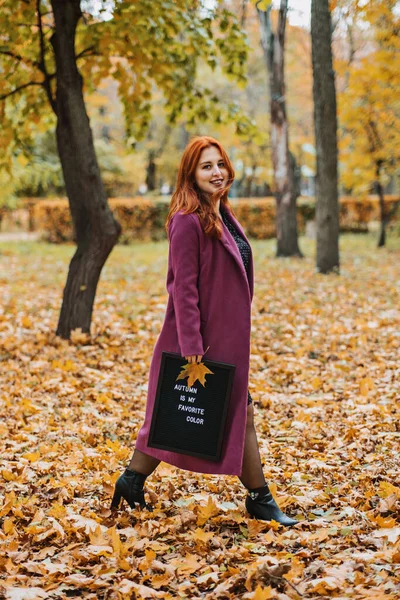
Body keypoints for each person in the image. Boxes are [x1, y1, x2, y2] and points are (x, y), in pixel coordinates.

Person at [110, 136, 297, 526]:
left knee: (184, 415)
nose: (217, 172)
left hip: (226, 338)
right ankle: (260, 498)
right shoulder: (186, 220)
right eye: (206, 166)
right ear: (191, 175)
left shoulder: (223, 213)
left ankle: (132, 480)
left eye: (220, 164)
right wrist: (193, 344)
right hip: (200, 341)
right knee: (191, 414)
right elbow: (183, 286)